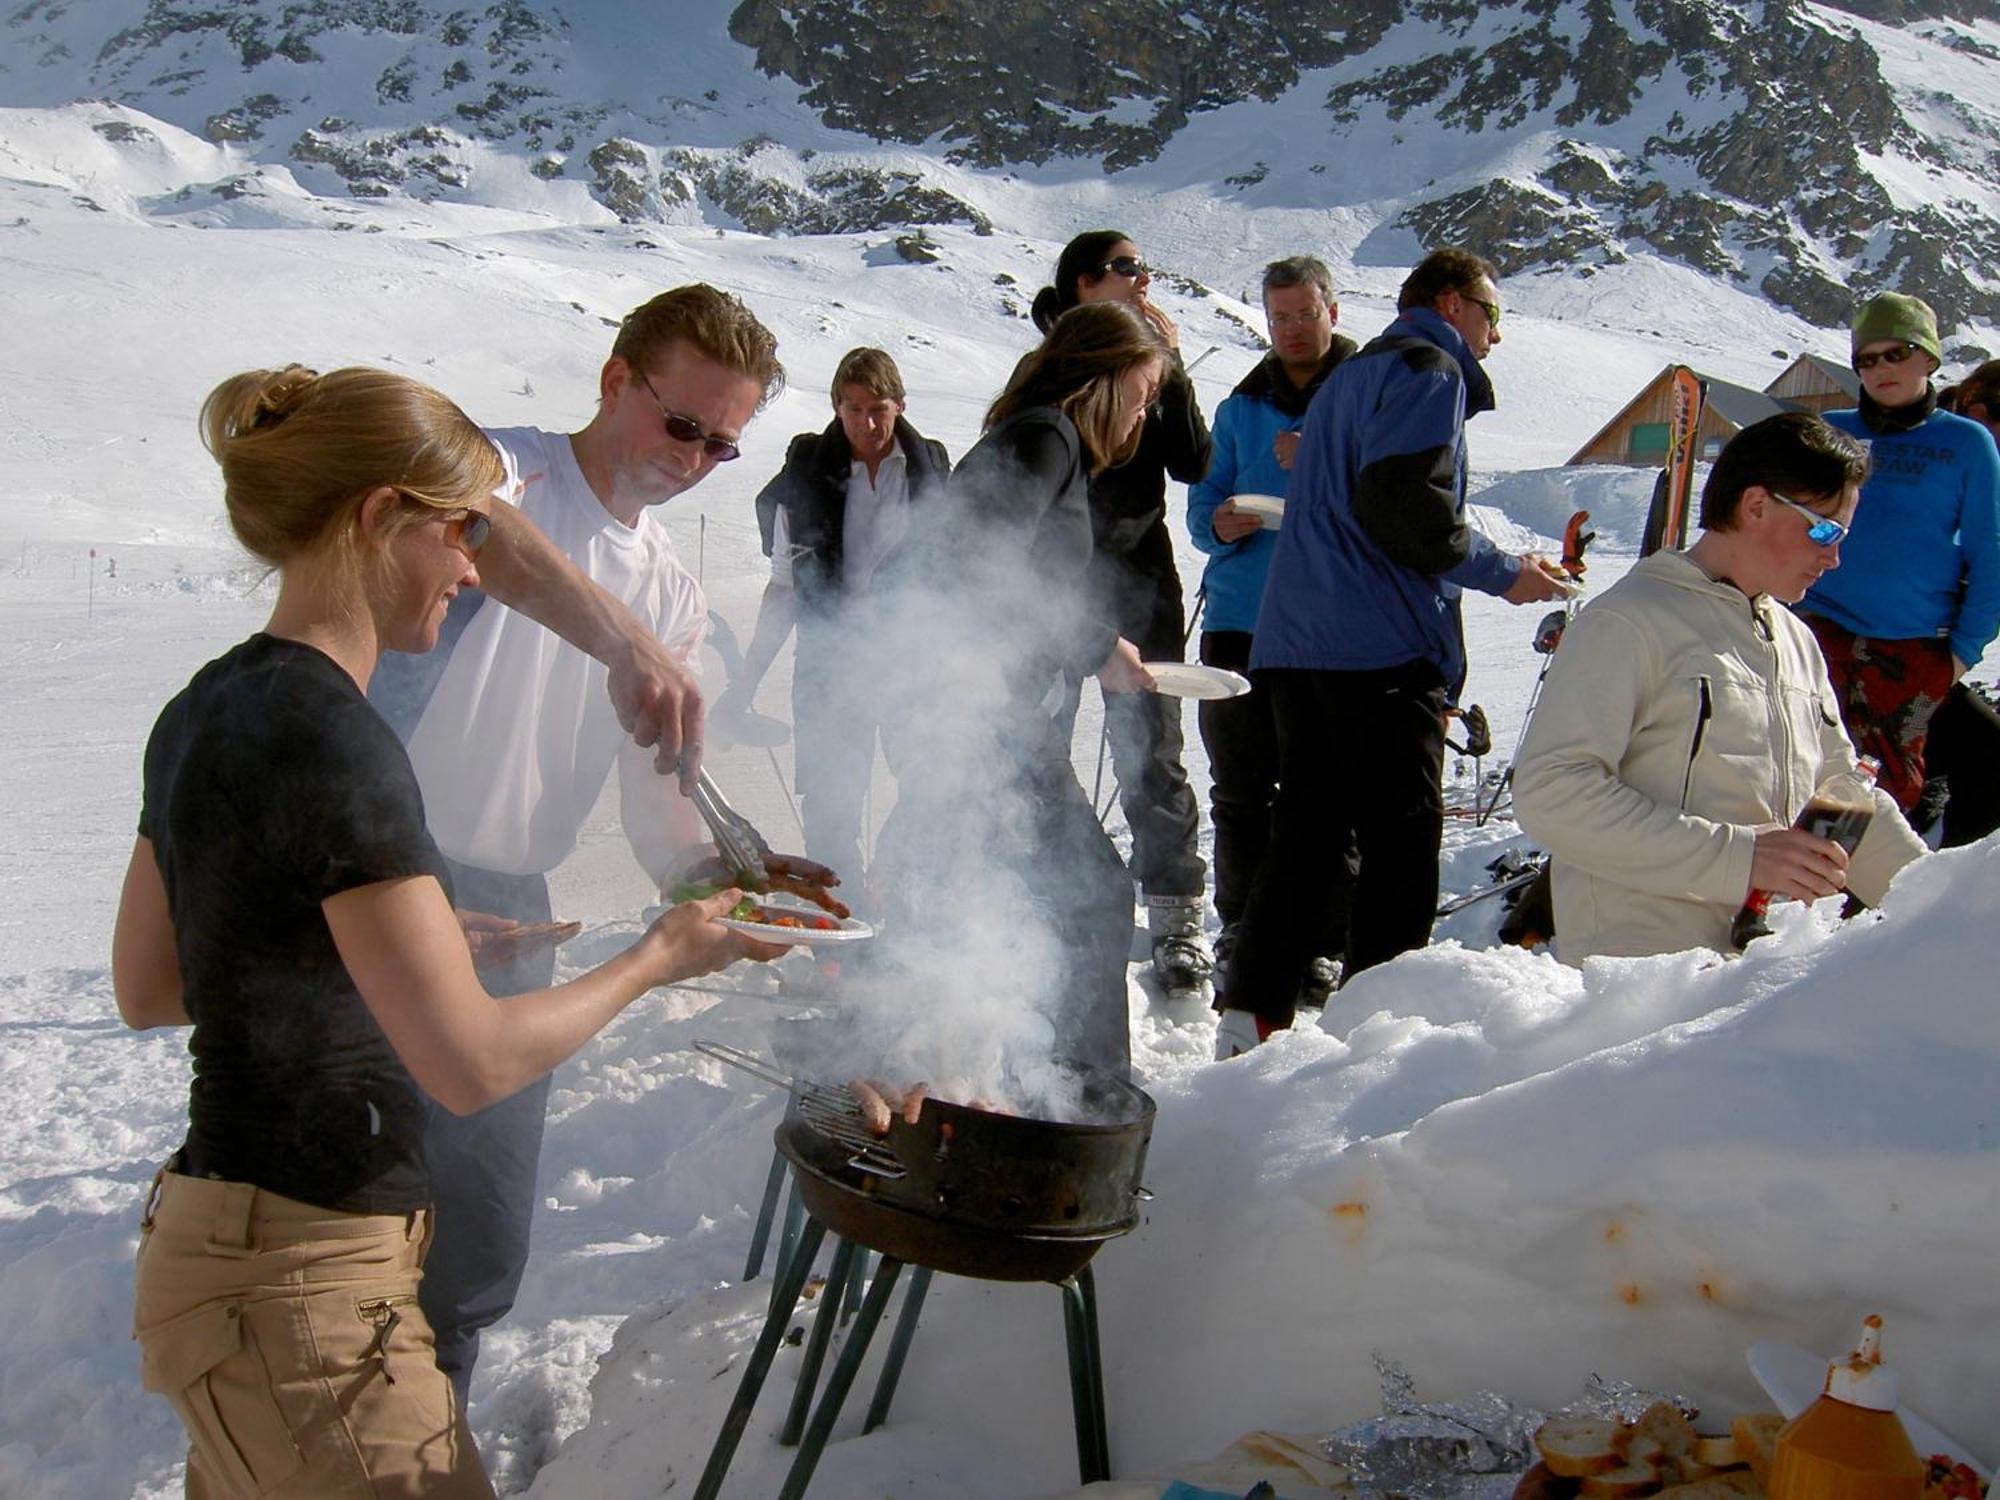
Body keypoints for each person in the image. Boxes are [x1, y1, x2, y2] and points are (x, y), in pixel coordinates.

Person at [112, 365, 774, 1497]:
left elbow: (157, 983)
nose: (475, 569)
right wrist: (660, 957)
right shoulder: (346, 740)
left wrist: (390, 943)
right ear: (380, 518)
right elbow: (470, 1068)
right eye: (459, 534)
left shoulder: (208, 702)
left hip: (212, 1254)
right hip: (309, 1292)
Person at [367, 283, 786, 1402]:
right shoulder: (504, 468)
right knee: (354, 1210)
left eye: (722, 445)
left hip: (512, 901)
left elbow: (654, 792)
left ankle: (428, 1431)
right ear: (615, 381)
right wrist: (625, 639)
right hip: (378, 884)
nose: (693, 458)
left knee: (478, 1232)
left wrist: (724, 882)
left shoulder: (673, 588)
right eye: (681, 423)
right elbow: (465, 520)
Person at [1211, 247, 1570, 1057]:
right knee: (1401, 843)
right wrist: (1504, 572)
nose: (1495, 338)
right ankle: (1379, 1032)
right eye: (1492, 315)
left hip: (1297, 643)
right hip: (1375, 648)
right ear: (1453, 304)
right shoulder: (1426, 369)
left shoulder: (1352, 377)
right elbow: (1404, 507)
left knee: (1304, 833)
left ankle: (1253, 1016)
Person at [873, 302, 1170, 1078]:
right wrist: (1096, 646)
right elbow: (978, 564)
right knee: (1090, 904)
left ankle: (997, 1079)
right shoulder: (1047, 437)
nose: (1143, 414)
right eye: (1140, 394)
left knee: (1000, 902)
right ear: (1102, 381)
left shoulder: (1046, 443)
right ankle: (1074, 1104)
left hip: (997, 729)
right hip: (980, 728)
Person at [1514, 413, 1927, 963]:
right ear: (1755, 506)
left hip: (1757, 973)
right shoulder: (1629, 621)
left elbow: (1841, 792)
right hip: (1641, 978)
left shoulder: (1795, 640)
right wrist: (1740, 859)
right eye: (1826, 529)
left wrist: (1941, 899)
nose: (1834, 556)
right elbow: (1551, 791)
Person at [1031, 231, 1215, 998]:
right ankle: (1049, 901)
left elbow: (1194, 462)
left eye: (1145, 268)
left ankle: (1176, 920)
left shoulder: (1152, 363)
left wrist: (1169, 373)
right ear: (1083, 284)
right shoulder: (1052, 372)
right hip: (1058, 591)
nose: (1143, 281)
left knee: (1152, 753)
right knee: (1040, 745)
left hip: (1140, 585)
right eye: (1127, 270)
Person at [1186, 255, 1358, 997]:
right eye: (1278, 317)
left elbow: (1389, 507)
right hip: (1239, 618)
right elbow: (1201, 506)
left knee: (1324, 788)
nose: (1290, 329)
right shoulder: (1241, 406)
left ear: (1333, 313)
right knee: (1240, 786)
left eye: (1303, 314)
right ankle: (1242, 927)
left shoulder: (1363, 395)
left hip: (1331, 621)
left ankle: (1326, 938)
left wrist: (1319, 457)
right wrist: (1221, 522)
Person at [721, 347, 951, 891]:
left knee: (932, 787)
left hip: (909, 662)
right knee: (829, 804)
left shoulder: (932, 472)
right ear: (834, 407)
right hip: (831, 660)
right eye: (852, 410)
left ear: (901, 406)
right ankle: (842, 924)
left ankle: (899, 900)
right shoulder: (806, 473)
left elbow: (958, 579)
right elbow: (784, 589)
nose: (866, 424)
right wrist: (747, 679)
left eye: (879, 409)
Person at [1796, 293, 2000, 818]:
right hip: (1820, 630)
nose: (1880, 368)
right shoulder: (1829, 430)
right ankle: (1793, 897)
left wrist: (1961, 654)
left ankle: (1872, 898)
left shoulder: (1967, 442)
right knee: (1799, 773)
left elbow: (1990, 549)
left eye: (1896, 352)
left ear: (1928, 358)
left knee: (1887, 793)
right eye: (1867, 358)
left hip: (1910, 646)